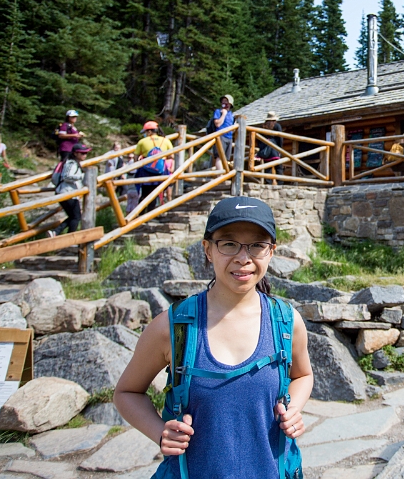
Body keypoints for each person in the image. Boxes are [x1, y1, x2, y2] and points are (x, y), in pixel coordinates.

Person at [114, 197, 313, 479]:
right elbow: (126, 393)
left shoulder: (287, 323)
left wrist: (293, 409)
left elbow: (303, 376)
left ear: (271, 252)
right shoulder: (172, 327)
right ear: (207, 249)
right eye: (228, 244)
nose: (243, 258)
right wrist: (160, 433)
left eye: (257, 245)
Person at [49, 143, 90, 236]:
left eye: (86, 153)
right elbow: (66, 176)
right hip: (67, 192)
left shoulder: (72, 162)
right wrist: (81, 176)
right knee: (76, 217)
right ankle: (69, 238)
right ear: (75, 154)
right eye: (82, 153)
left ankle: (56, 232)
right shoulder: (71, 163)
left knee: (73, 216)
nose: (85, 155)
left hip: (66, 192)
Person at [134, 121, 174, 212]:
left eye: (145, 132)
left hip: (145, 170)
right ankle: (150, 214)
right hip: (160, 170)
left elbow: (136, 157)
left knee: (144, 193)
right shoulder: (165, 140)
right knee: (155, 194)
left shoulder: (142, 141)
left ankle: (140, 214)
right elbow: (171, 156)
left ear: (149, 132)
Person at [212, 95, 235, 171]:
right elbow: (217, 124)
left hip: (229, 137)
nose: (224, 102)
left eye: (226, 101)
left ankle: (224, 175)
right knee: (219, 156)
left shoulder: (231, 115)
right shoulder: (218, 111)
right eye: (223, 101)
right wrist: (223, 114)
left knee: (226, 159)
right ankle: (220, 176)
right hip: (221, 136)